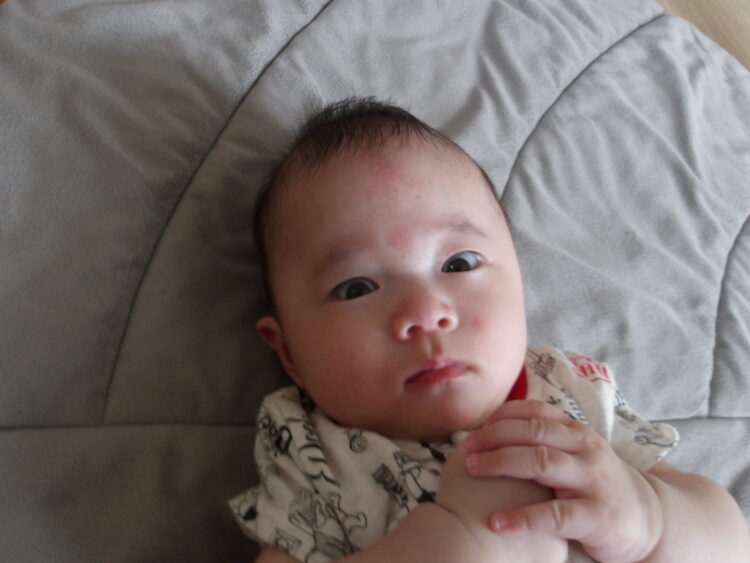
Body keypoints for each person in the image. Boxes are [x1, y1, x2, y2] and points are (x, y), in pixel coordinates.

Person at [230, 98, 750, 562]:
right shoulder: (310, 449)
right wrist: (442, 550)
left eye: (458, 263)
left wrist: (650, 520)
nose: (426, 312)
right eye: (356, 288)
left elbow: (731, 541)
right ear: (290, 354)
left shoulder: (568, 391)